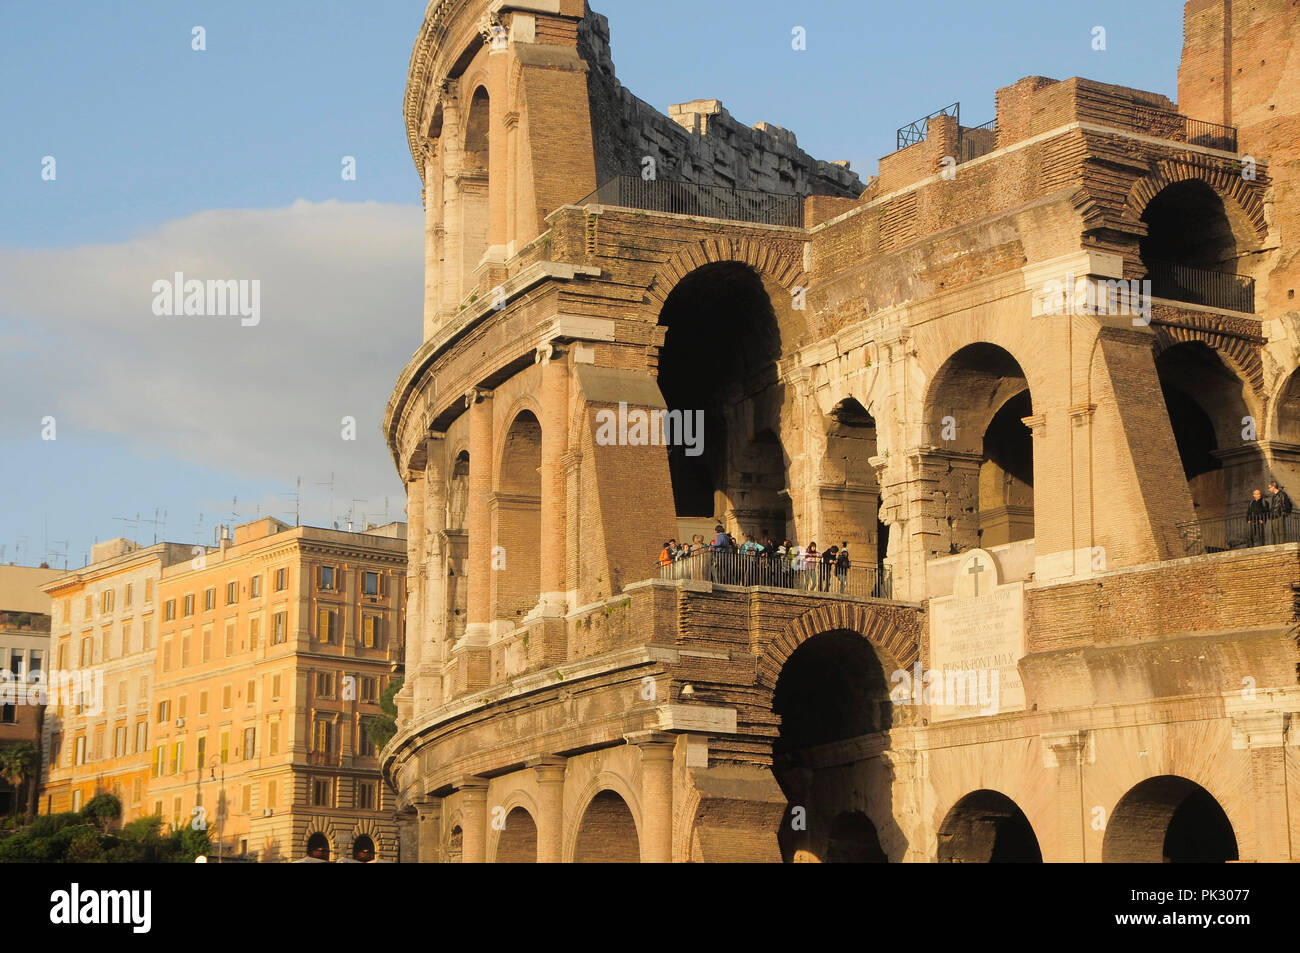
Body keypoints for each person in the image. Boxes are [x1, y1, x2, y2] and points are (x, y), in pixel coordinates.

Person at [1268, 480, 1293, 544]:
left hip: (1280, 515)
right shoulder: (1274, 496)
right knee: (1275, 531)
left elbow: (1286, 504)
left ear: (1273, 487)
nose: (1268, 489)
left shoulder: (1282, 494)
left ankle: (1281, 545)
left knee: (1280, 531)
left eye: (1269, 487)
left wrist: (1284, 513)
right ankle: (1276, 545)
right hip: (1274, 516)